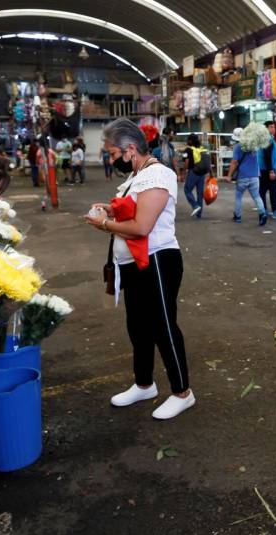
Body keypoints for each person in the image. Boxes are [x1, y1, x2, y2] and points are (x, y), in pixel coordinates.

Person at [84, 118, 194, 420]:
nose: (110, 159)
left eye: (113, 153)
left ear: (131, 149)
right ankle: (144, 384)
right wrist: (109, 212)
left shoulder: (158, 174)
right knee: (138, 326)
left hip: (158, 260)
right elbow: (132, 213)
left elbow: (142, 226)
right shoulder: (137, 176)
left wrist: (104, 223)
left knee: (163, 325)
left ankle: (182, 392)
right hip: (133, 263)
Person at [226, 127, 269, 226]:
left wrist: (229, 175)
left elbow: (234, 162)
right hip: (255, 176)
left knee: (238, 196)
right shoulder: (254, 146)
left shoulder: (237, 147)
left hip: (242, 176)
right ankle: (263, 214)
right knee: (257, 196)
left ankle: (238, 216)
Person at [182, 134, 211, 219]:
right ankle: (199, 214)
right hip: (202, 173)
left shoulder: (188, 149)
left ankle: (195, 206)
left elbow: (186, 162)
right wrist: (211, 173)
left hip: (193, 172)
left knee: (187, 190)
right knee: (200, 193)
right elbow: (207, 162)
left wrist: (183, 173)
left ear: (190, 140)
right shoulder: (202, 148)